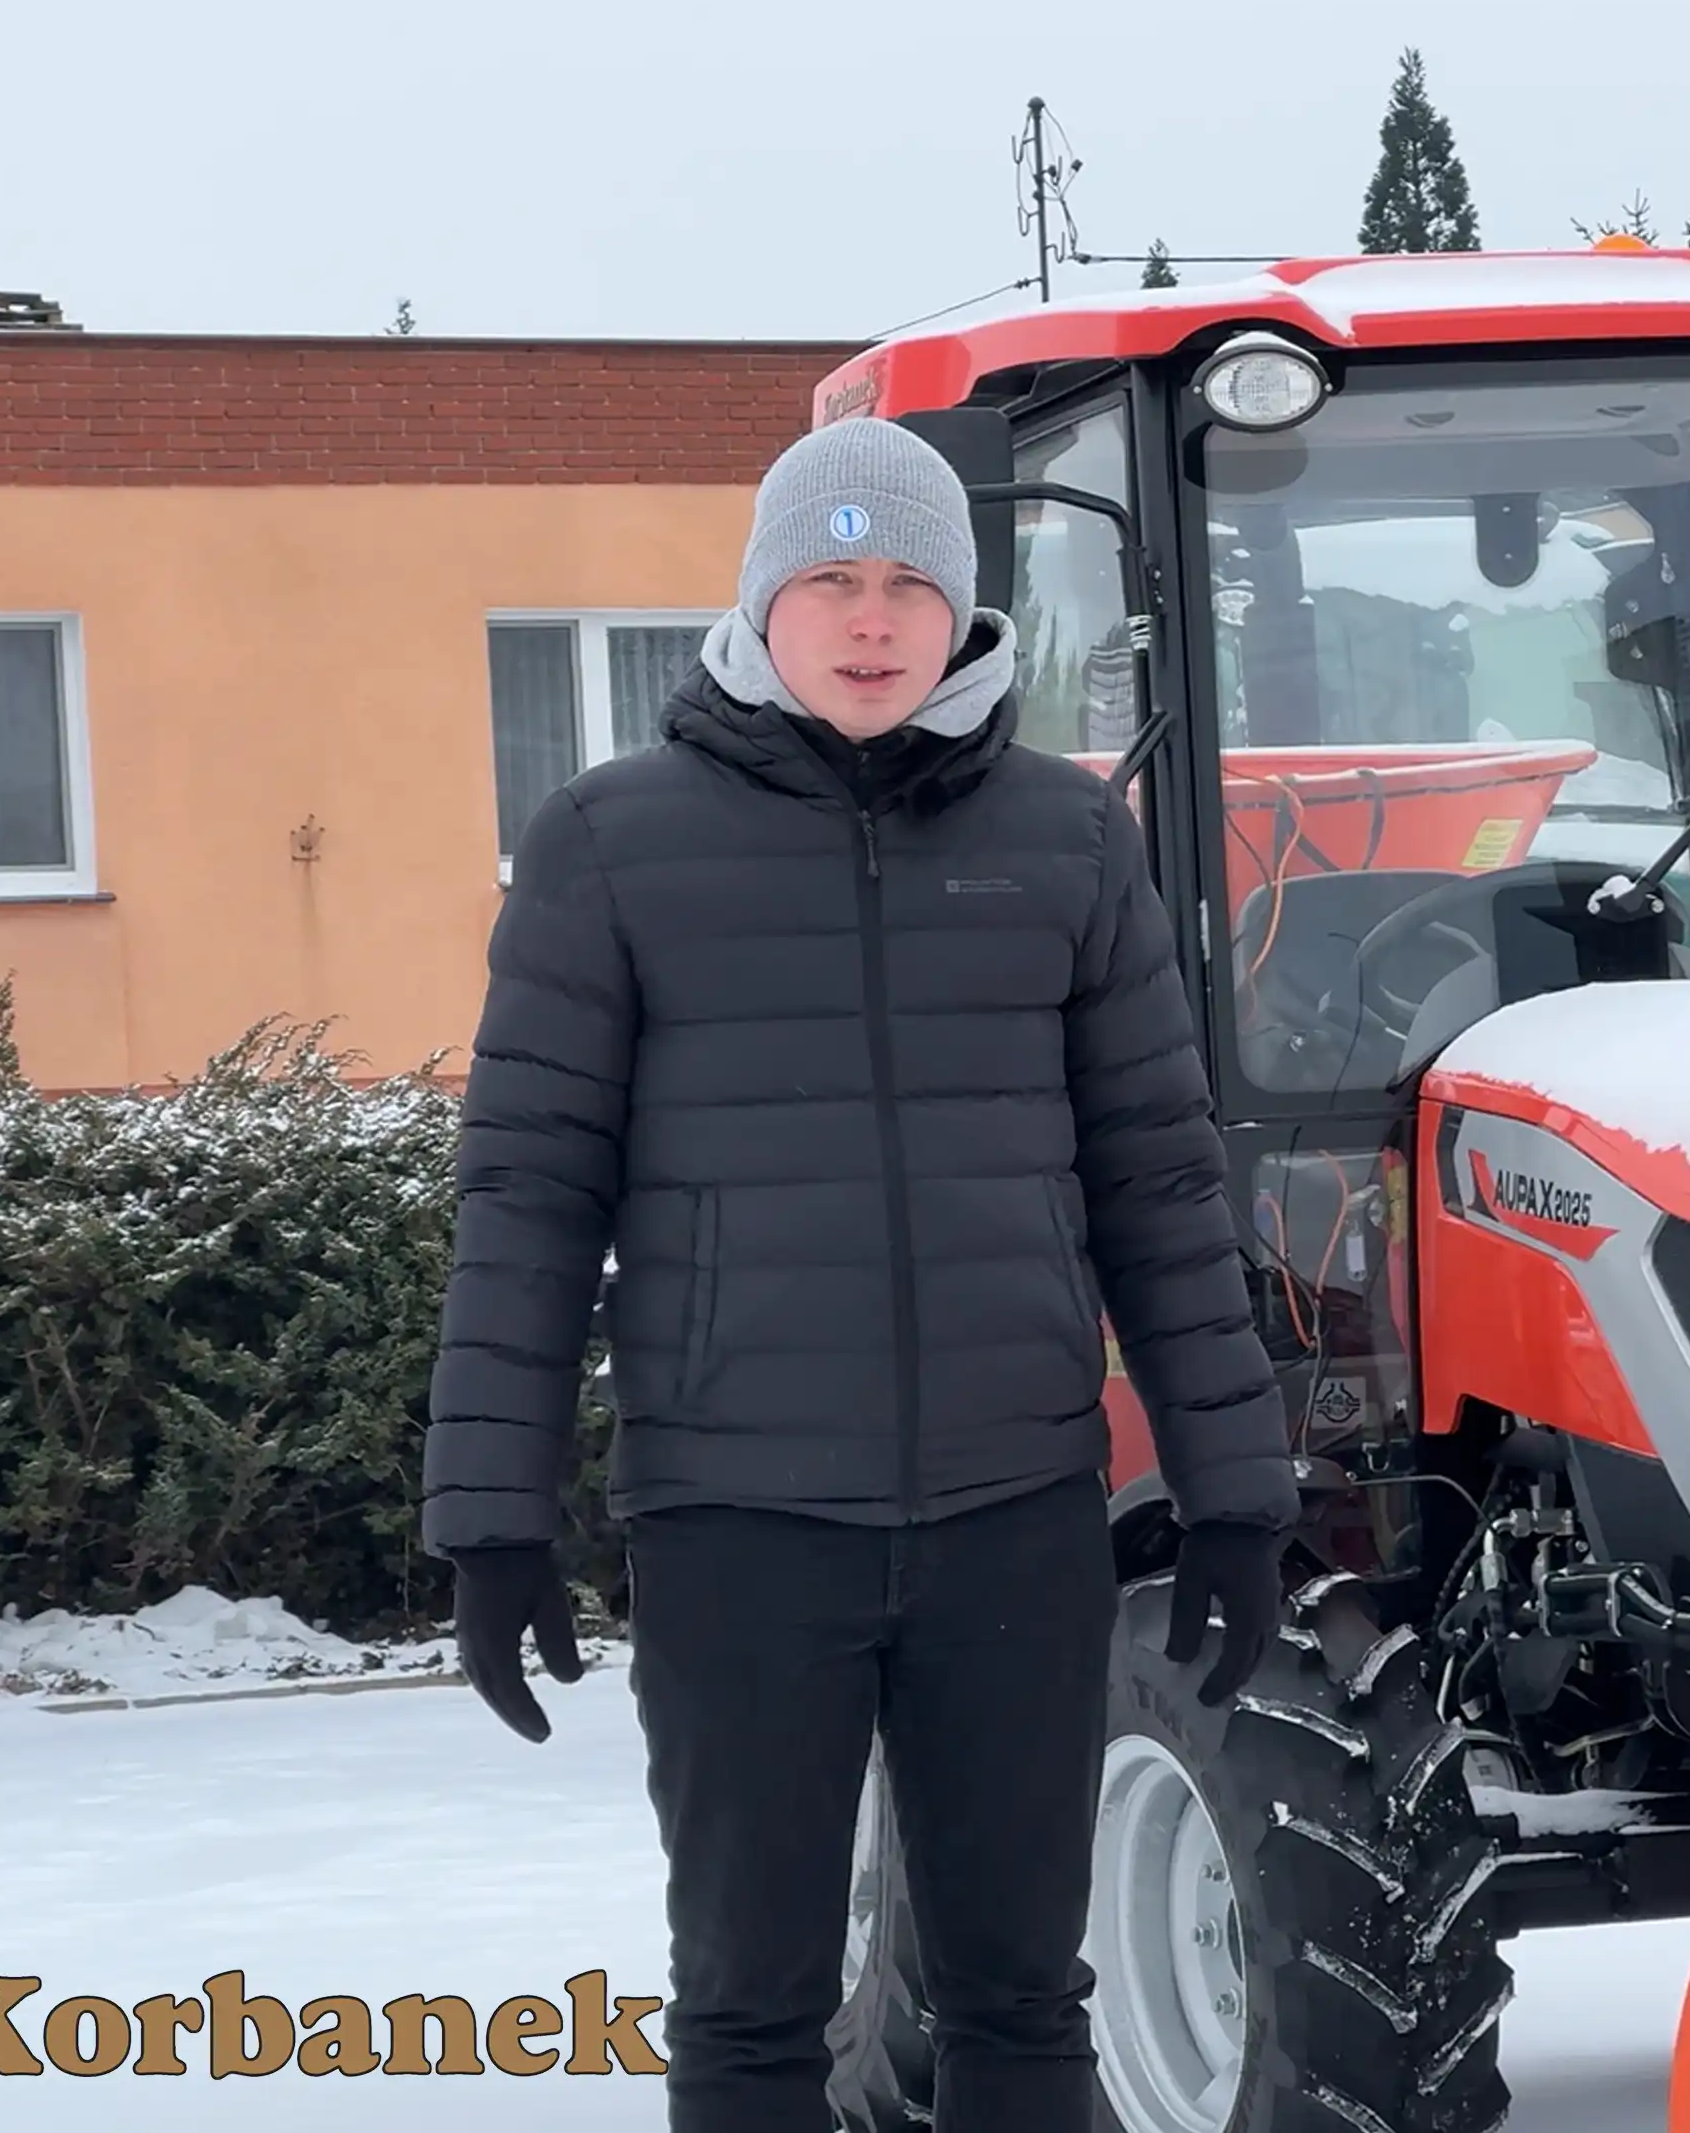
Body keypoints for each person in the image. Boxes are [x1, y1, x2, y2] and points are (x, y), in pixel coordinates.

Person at [420, 416, 1292, 2131]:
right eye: (832, 579)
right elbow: (528, 1197)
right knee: (751, 2014)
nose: (872, 619)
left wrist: (1238, 1494)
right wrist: (491, 1518)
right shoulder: (611, 844)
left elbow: (1159, 1183)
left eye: (908, 582)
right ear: (766, 602)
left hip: (1012, 1509)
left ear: (965, 610)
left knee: (1023, 2006)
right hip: (740, 1526)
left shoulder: (1067, 841)